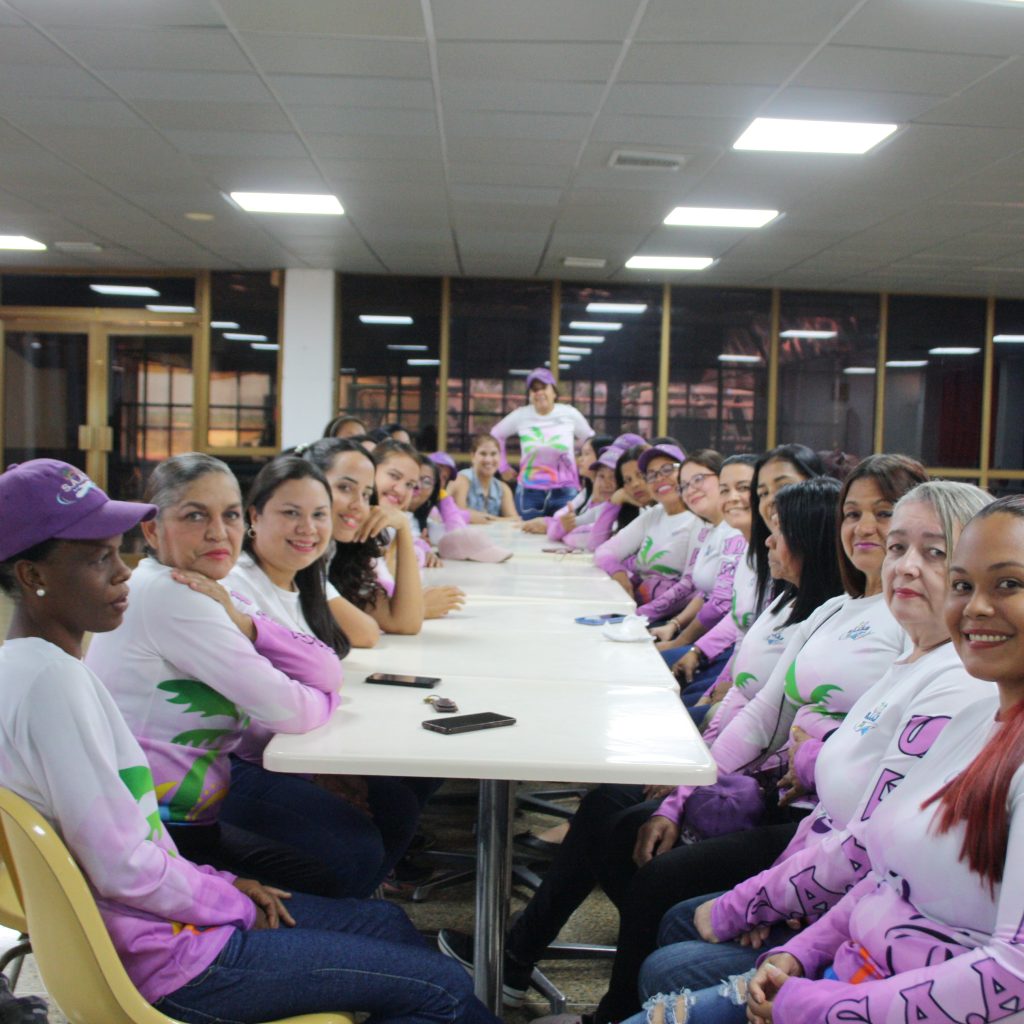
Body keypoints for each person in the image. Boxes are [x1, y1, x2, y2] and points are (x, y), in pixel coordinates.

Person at [0, 459, 500, 1024]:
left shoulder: (39, 667)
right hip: (174, 960)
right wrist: (234, 902)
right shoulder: (54, 685)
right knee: (440, 987)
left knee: (387, 923)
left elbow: (137, 839)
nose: (124, 574)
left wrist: (225, 883)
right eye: (99, 560)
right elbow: (123, 868)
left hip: (165, 924)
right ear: (31, 576)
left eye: (119, 553)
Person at [438, 477, 844, 1012]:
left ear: (810, 540)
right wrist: (689, 768)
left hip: (769, 792)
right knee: (609, 808)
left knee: (629, 832)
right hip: (727, 755)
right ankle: (523, 954)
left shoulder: (825, 616)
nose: (766, 535)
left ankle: (592, 981)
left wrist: (692, 774)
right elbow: (749, 700)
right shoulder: (790, 603)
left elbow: (769, 722)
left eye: (778, 524)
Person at [633, 491, 1024, 1024]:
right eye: (963, 584)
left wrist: (804, 991)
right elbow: (885, 863)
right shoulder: (977, 716)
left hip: (873, 986)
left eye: (1008, 584)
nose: (976, 606)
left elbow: (1010, 977)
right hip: (854, 958)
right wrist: (803, 949)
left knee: (669, 948)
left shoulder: (958, 689)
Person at [85, 453, 345, 896]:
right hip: (160, 836)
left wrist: (248, 624)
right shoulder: (173, 595)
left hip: (189, 816)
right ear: (152, 530)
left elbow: (325, 666)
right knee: (346, 861)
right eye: (195, 515)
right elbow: (295, 711)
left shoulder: (212, 589)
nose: (218, 532)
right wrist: (326, 699)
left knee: (341, 859)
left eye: (229, 515)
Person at [220, 455, 425, 898]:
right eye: (291, 513)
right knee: (357, 841)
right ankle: (336, 917)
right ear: (254, 516)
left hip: (292, 743)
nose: (307, 528)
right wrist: (318, 773)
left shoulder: (304, 579)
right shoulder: (236, 586)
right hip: (230, 759)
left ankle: (348, 909)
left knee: (398, 802)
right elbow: (261, 705)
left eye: (318, 515)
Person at [304, 438, 464, 633]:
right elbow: (368, 632)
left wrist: (403, 527)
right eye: (345, 487)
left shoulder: (348, 548)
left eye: (410, 485)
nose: (401, 490)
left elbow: (405, 623)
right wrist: (420, 605)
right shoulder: (303, 547)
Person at [641, 450, 748, 659]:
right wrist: (674, 624)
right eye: (684, 485)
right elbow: (704, 592)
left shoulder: (736, 532)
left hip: (726, 645)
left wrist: (680, 642)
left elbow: (721, 603)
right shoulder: (712, 530)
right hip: (703, 637)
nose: (691, 490)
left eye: (698, 479)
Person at [593, 443, 702, 618]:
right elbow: (604, 551)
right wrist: (618, 573)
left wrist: (638, 615)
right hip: (638, 609)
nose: (659, 478)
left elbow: (691, 586)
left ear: (685, 473)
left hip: (670, 620)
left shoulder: (700, 519)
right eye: (651, 474)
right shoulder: (654, 515)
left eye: (667, 469)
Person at [490, 367, 594, 520]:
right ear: (530, 395)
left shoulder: (569, 413)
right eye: (534, 389)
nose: (539, 392)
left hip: (565, 491)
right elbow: (496, 434)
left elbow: (589, 439)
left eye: (543, 387)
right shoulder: (521, 415)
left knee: (562, 533)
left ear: (554, 392)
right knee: (528, 533)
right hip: (529, 492)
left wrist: (583, 460)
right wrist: (502, 466)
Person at [450, 433, 517, 522]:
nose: (488, 460)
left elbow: (515, 520)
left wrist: (490, 519)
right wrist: (496, 520)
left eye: (493, 454)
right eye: (483, 454)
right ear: (473, 456)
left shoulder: (502, 488)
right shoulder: (462, 480)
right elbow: (460, 514)